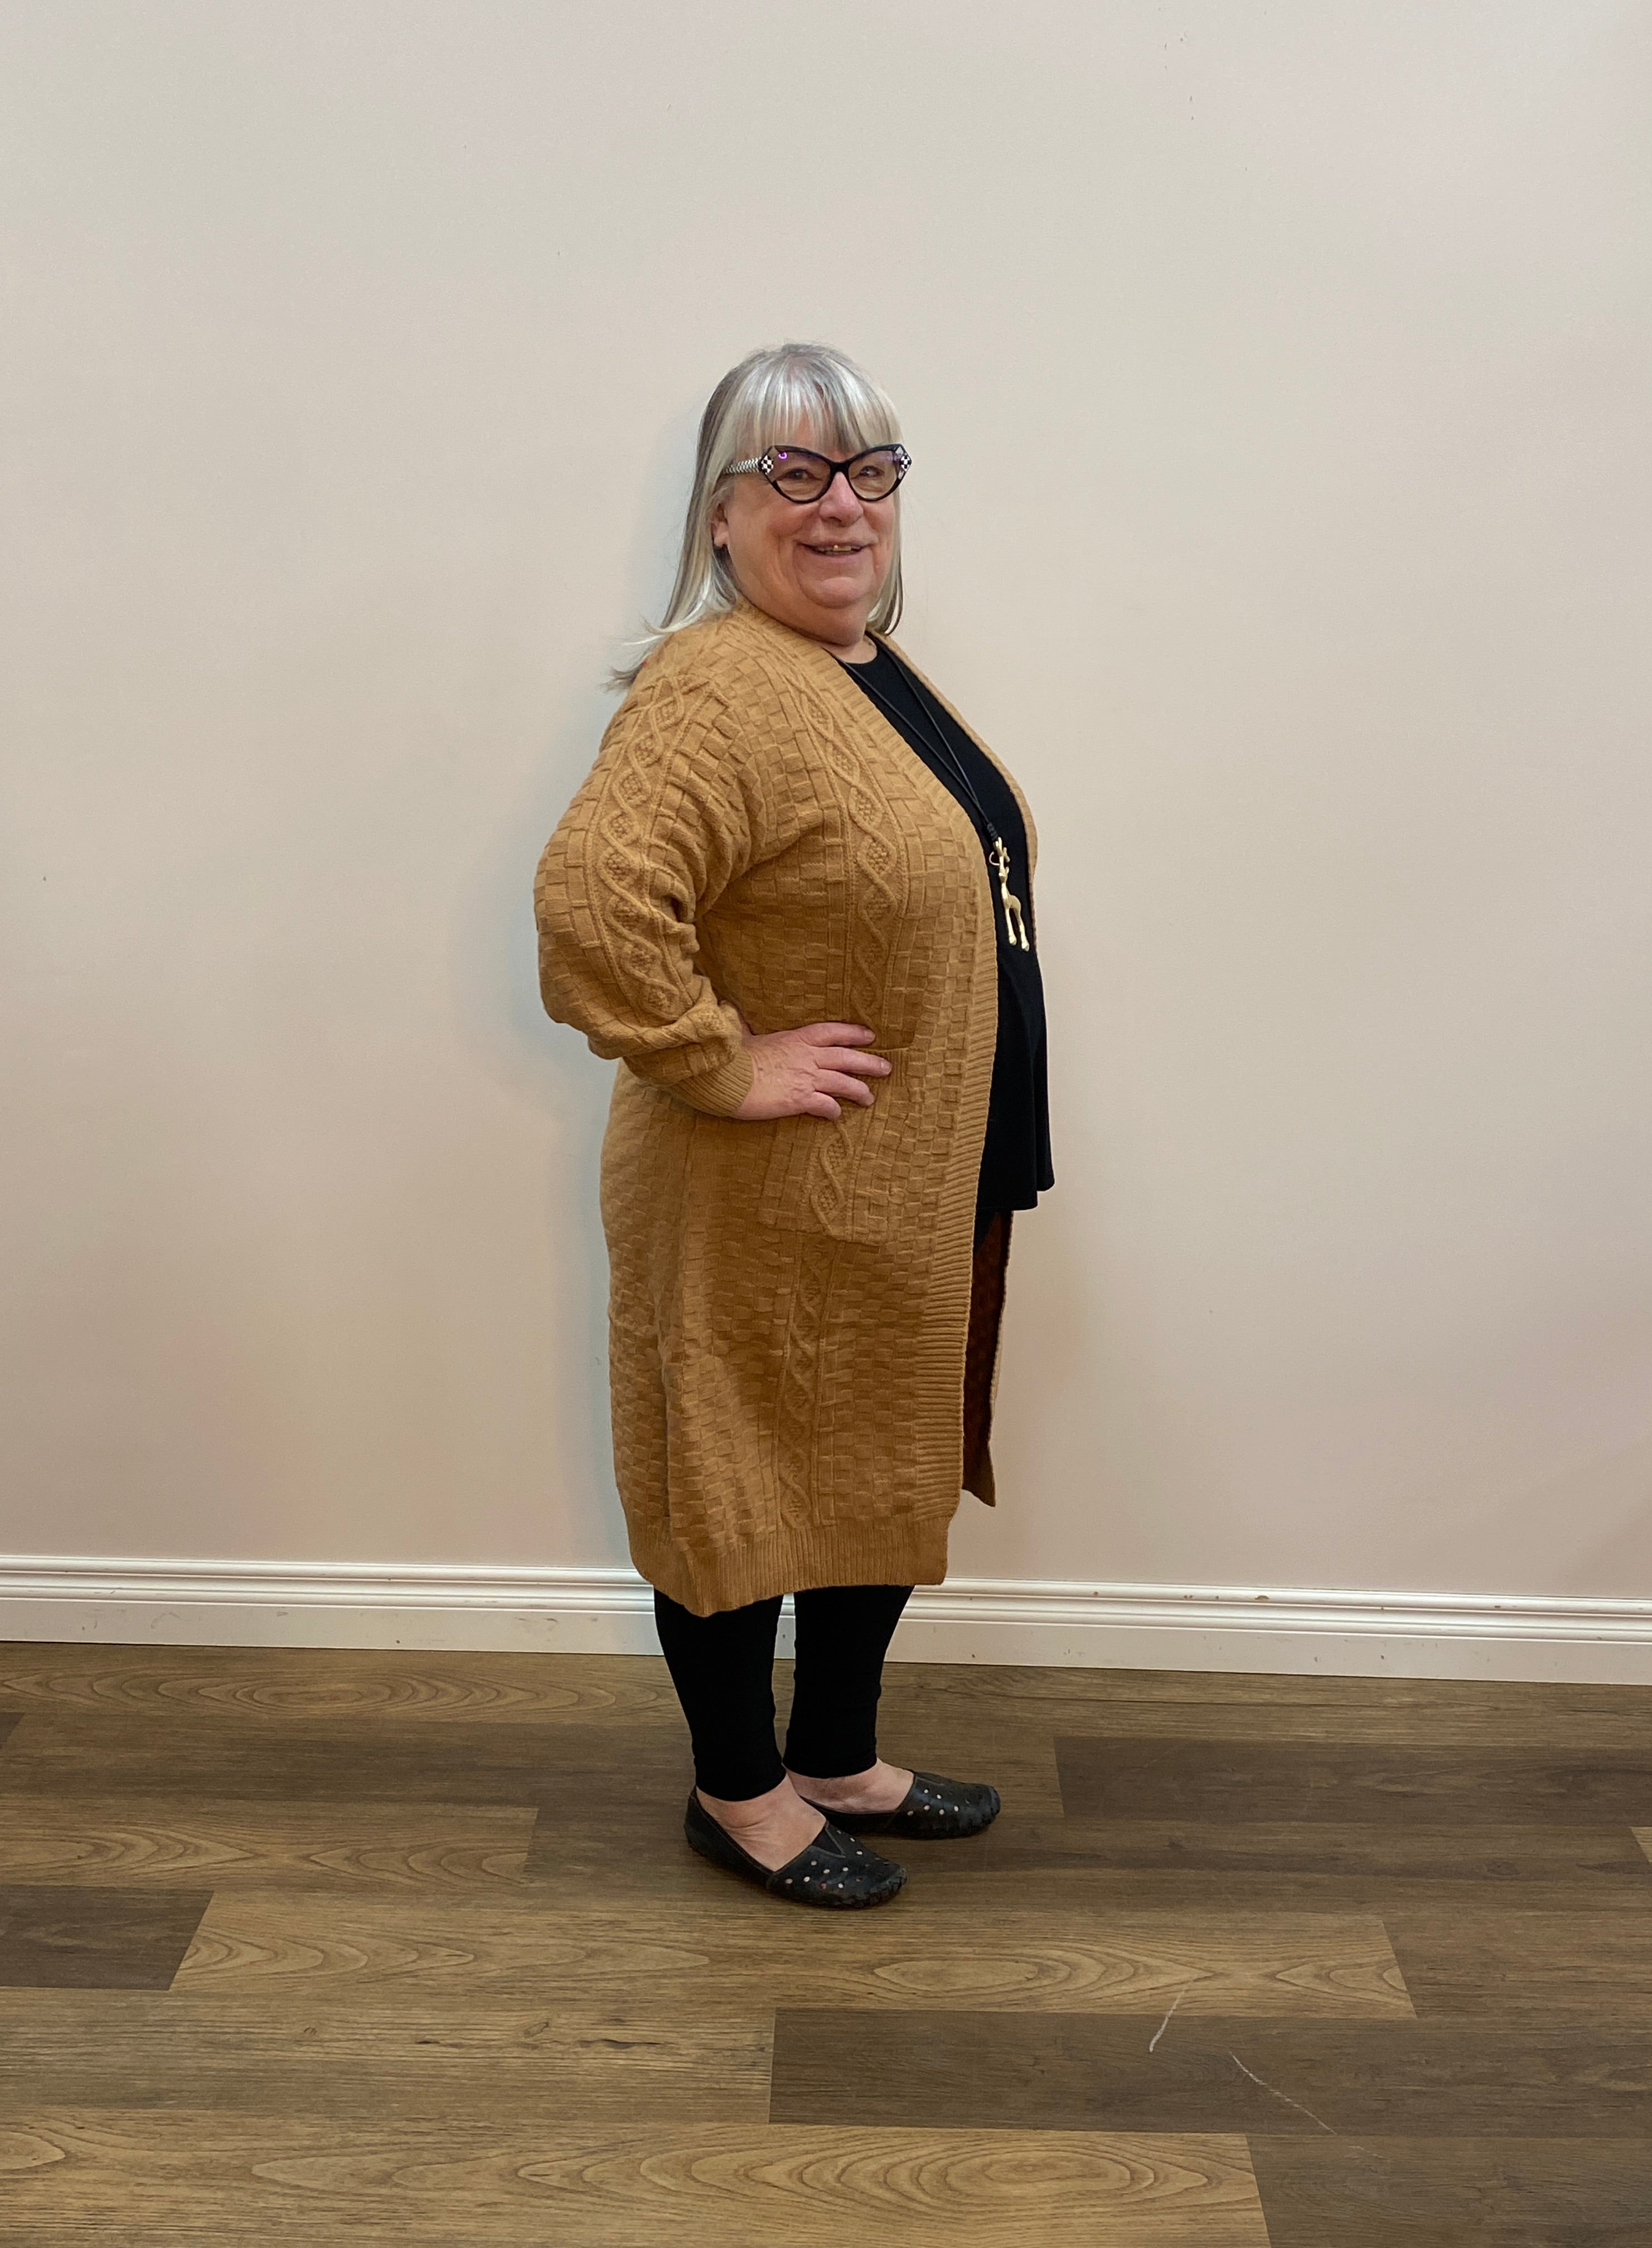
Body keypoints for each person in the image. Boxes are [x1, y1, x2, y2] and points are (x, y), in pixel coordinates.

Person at [534, 342, 1053, 1907]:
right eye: (793, 473)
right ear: (718, 513)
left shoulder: (862, 668)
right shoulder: (716, 684)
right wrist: (720, 1059)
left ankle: (835, 1755)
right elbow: (591, 907)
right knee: (739, 1481)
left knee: (875, 1461)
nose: (840, 508)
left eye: (869, 471)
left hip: (906, 1173)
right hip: (766, 1191)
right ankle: (739, 1790)